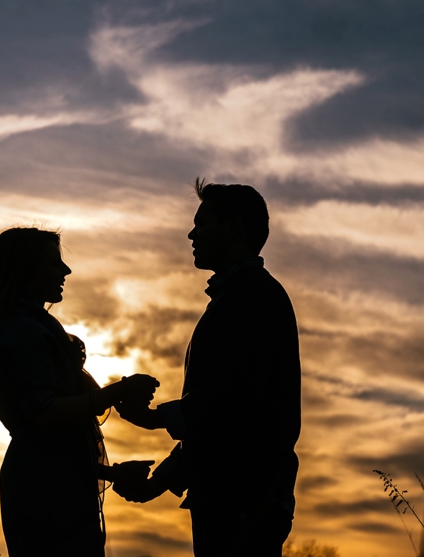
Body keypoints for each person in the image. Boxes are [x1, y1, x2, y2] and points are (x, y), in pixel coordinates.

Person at [114, 180, 300, 556]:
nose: (191, 233)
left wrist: (152, 418)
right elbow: (222, 424)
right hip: (235, 496)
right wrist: (160, 482)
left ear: (232, 227)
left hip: (243, 498)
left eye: (201, 223)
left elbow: (231, 404)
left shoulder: (252, 297)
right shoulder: (240, 297)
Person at [0, 227, 159, 557]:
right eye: (52, 263)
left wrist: (110, 473)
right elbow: (44, 415)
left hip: (51, 482)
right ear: (24, 269)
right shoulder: (23, 332)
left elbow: (53, 440)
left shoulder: (32, 328)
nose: (65, 271)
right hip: (45, 491)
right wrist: (121, 390)